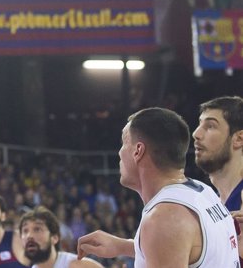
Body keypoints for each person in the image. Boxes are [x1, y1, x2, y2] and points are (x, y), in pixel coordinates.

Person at [77, 107, 239, 266]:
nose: (119, 153)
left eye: (124, 143)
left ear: (138, 150)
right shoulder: (203, 191)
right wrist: (122, 246)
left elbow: (170, 238)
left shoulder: (164, 218)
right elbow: (177, 248)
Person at [192, 96, 243, 259]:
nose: (196, 134)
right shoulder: (210, 202)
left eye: (210, 126)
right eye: (200, 124)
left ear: (239, 139)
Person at [18, 206, 101, 268]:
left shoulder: (78, 265)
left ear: (55, 238)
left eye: (37, 229)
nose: (29, 236)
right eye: (25, 231)